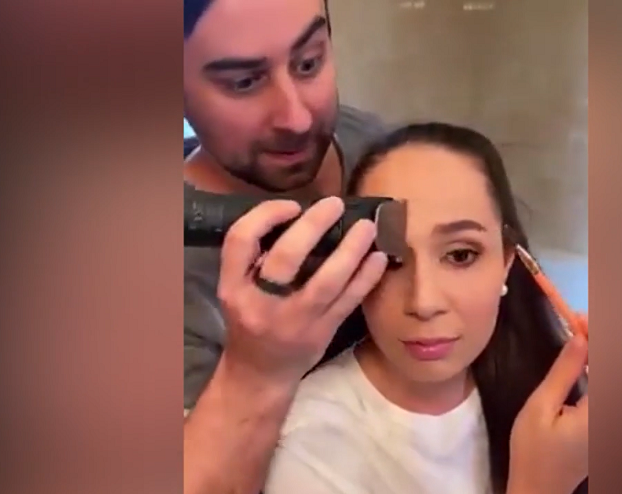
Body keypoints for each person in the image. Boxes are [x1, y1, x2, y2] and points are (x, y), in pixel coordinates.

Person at [261, 123, 589, 494]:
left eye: (460, 255)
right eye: (393, 259)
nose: (424, 303)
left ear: (506, 261)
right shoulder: (312, 442)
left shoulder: (548, 386)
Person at [183, 0, 386, 410]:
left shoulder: (392, 150)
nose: (297, 120)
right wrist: (256, 374)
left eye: (308, 63)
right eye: (244, 83)